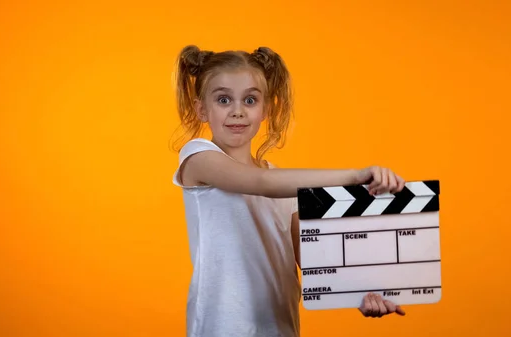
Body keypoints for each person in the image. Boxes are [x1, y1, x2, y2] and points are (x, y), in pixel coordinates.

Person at [171, 45, 406, 337]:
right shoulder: (197, 157)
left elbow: (311, 259)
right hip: (222, 327)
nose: (237, 111)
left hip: (281, 328)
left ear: (266, 108)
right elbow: (260, 184)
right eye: (223, 99)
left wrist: (362, 294)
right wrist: (355, 176)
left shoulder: (282, 180)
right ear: (202, 110)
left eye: (250, 99)